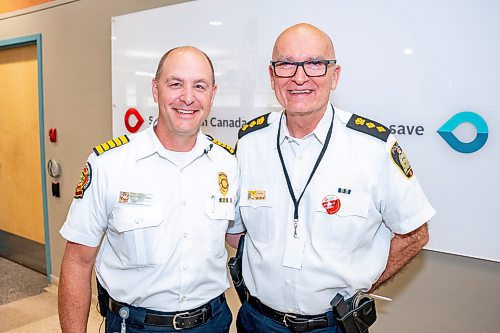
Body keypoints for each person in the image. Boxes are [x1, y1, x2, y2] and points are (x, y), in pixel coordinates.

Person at [234, 23, 436, 333]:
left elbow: (415, 234)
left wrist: (359, 285)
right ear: (272, 76)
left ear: (335, 75)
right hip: (257, 321)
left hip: (333, 326)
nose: (299, 77)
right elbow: (236, 230)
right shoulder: (250, 143)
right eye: (286, 64)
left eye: (315, 63)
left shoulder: (373, 148)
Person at [58, 46, 244, 333]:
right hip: (135, 325)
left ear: (213, 94)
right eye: (175, 84)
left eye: (199, 86)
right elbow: (77, 262)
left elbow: (237, 236)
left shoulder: (228, 164)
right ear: (155, 90)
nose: (188, 97)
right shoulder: (110, 163)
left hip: (212, 323)